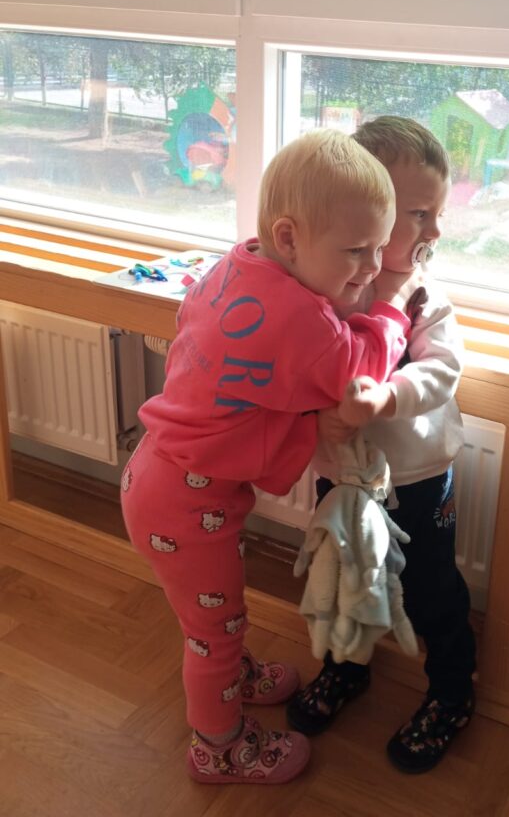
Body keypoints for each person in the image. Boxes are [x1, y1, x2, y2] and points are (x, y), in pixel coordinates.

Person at [120, 130, 422, 786]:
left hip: (163, 477)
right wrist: (394, 305)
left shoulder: (240, 263)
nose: (372, 267)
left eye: (379, 249)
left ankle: (235, 674)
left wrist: (347, 281)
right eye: (356, 250)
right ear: (289, 238)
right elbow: (362, 367)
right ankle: (219, 748)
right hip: (183, 503)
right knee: (212, 633)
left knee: (214, 616)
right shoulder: (302, 320)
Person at [286, 116, 476, 774]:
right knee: (345, 577)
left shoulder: (421, 296)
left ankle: (451, 691)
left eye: (437, 213)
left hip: (416, 479)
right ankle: (346, 666)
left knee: (430, 592)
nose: (435, 231)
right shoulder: (326, 287)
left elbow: (443, 370)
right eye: (420, 214)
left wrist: (387, 396)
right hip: (344, 476)